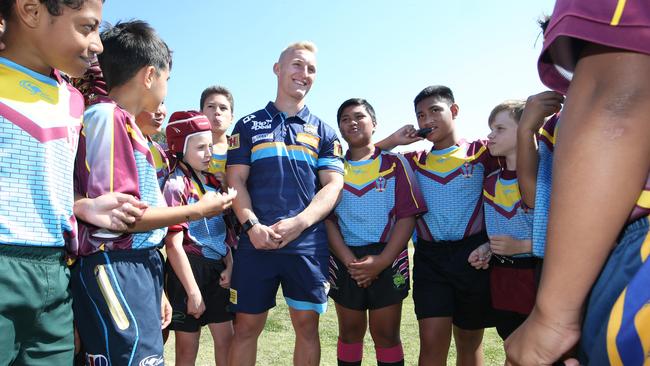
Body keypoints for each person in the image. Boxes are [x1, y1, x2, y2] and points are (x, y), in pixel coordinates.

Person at [71, 20, 235, 365]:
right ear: (149, 75)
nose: (166, 88)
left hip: (139, 264)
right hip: (116, 264)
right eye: (167, 78)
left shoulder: (128, 127)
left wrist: (156, 284)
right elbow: (123, 218)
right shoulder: (108, 118)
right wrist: (198, 210)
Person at [0, 1, 150, 364]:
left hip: (54, 271)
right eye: (87, 27)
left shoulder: (73, 99)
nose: (98, 44)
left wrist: (83, 205)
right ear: (32, 11)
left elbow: (43, 179)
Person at [504, 2, 650, 365]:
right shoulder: (557, 128)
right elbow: (537, 195)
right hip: (591, 257)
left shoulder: (583, 115)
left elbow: (617, 103)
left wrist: (551, 317)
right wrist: (526, 132)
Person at [226, 41, 344, 366]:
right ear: (278, 69)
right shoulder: (248, 125)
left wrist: (300, 223)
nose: (303, 74)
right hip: (255, 243)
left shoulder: (325, 132)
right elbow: (235, 181)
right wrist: (251, 227)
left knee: (307, 327)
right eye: (296, 64)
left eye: (311, 69)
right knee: (246, 327)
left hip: (307, 245)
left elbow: (333, 186)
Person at [378, 85, 500, 366]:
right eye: (420, 115)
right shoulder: (413, 161)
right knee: (432, 346)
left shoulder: (482, 151)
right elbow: (370, 156)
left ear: (454, 111)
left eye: (435, 110)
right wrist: (395, 139)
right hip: (431, 260)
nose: (427, 120)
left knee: (469, 344)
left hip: (473, 258)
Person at [327, 98, 427, 366]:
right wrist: (350, 261)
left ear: (374, 123)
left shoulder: (396, 164)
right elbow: (327, 220)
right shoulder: (333, 169)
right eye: (345, 119)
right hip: (345, 259)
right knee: (349, 333)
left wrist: (381, 262)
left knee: (385, 334)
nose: (352, 122)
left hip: (389, 257)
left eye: (359, 116)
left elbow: (407, 217)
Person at [162, 110, 236, 366]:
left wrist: (230, 264)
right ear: (179, 148)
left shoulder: (215, 183)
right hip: (188, 271)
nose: (209, 153)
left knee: (227, 339)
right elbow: (173, 243)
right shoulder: (175, 185)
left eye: (211, 146)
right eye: (201, 147)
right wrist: (193, 291)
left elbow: (223, 234)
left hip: (217, 271)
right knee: (186, 348)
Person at [467, 100, 539, 340]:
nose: (490, 135)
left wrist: (522, 246)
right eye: (491, 128)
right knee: (511, 347)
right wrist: (488, 247)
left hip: (539, 277)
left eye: (500, 129)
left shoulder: (546, 179)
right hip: (502, 280)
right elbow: (499, 230)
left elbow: (570, 239)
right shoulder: (491, 181)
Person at [200, 85, 235, 182]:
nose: (217, 112)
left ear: (232, 117)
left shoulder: (240, 150)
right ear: (200, 114)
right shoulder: (189, 149)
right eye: (211, 106)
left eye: (223, 108)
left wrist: (229, 183)